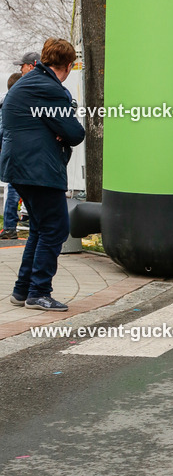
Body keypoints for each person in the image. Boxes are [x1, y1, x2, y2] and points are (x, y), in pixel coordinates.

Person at [0, 38, 85, 310]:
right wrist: (60, 130)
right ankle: (39, 292)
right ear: (69, 65)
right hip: (38, 169)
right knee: (56, 229)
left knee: (39, 228)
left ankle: (22, 290)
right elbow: (74, 133)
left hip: (20, 166)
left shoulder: (29, 81)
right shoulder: (51, 89)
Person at [0, 73, 22, 239]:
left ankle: (9, 226)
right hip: (17, 150)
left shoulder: (5, 102)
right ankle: (10, 226)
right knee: (15, 188)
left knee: (13, 187)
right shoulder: (16, 102)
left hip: (8, 150)